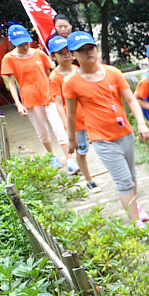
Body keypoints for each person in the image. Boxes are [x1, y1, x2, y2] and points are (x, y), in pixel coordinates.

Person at [62, 31, 149, 225]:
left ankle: (135, 206)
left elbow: (131, 99)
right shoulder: (70, 82)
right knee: (123, 181)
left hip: (125, 133)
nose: (88, 52)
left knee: (131, 175)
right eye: (81, 50)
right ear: (72, 55)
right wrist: (71, 139)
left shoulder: (113, 73)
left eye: (90, 47)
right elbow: (71, 114)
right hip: (101, 138)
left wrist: (141, 123)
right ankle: (137, 225)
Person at [0, 24, 71, 170]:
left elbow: (50, 72)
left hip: (48, 95)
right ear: (13, 42)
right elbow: (11, 83)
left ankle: (70, 159)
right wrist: (18, 104)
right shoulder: (8, 58)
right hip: (30, 99)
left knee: (59, 128)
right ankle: (52, 155)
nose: (25, 46)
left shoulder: (38, 53)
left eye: (26, 42)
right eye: (20, 44)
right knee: (42, 131)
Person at [47, 35, 97, 188]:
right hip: (75, 120)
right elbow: (58, 103)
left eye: (68, 51)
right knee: (82, 149)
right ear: (53, 56)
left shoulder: (77, 69)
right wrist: (67, 125)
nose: (66, 56)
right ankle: (89, 180)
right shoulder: (54, 77)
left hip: (90, 116)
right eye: (61, 53)